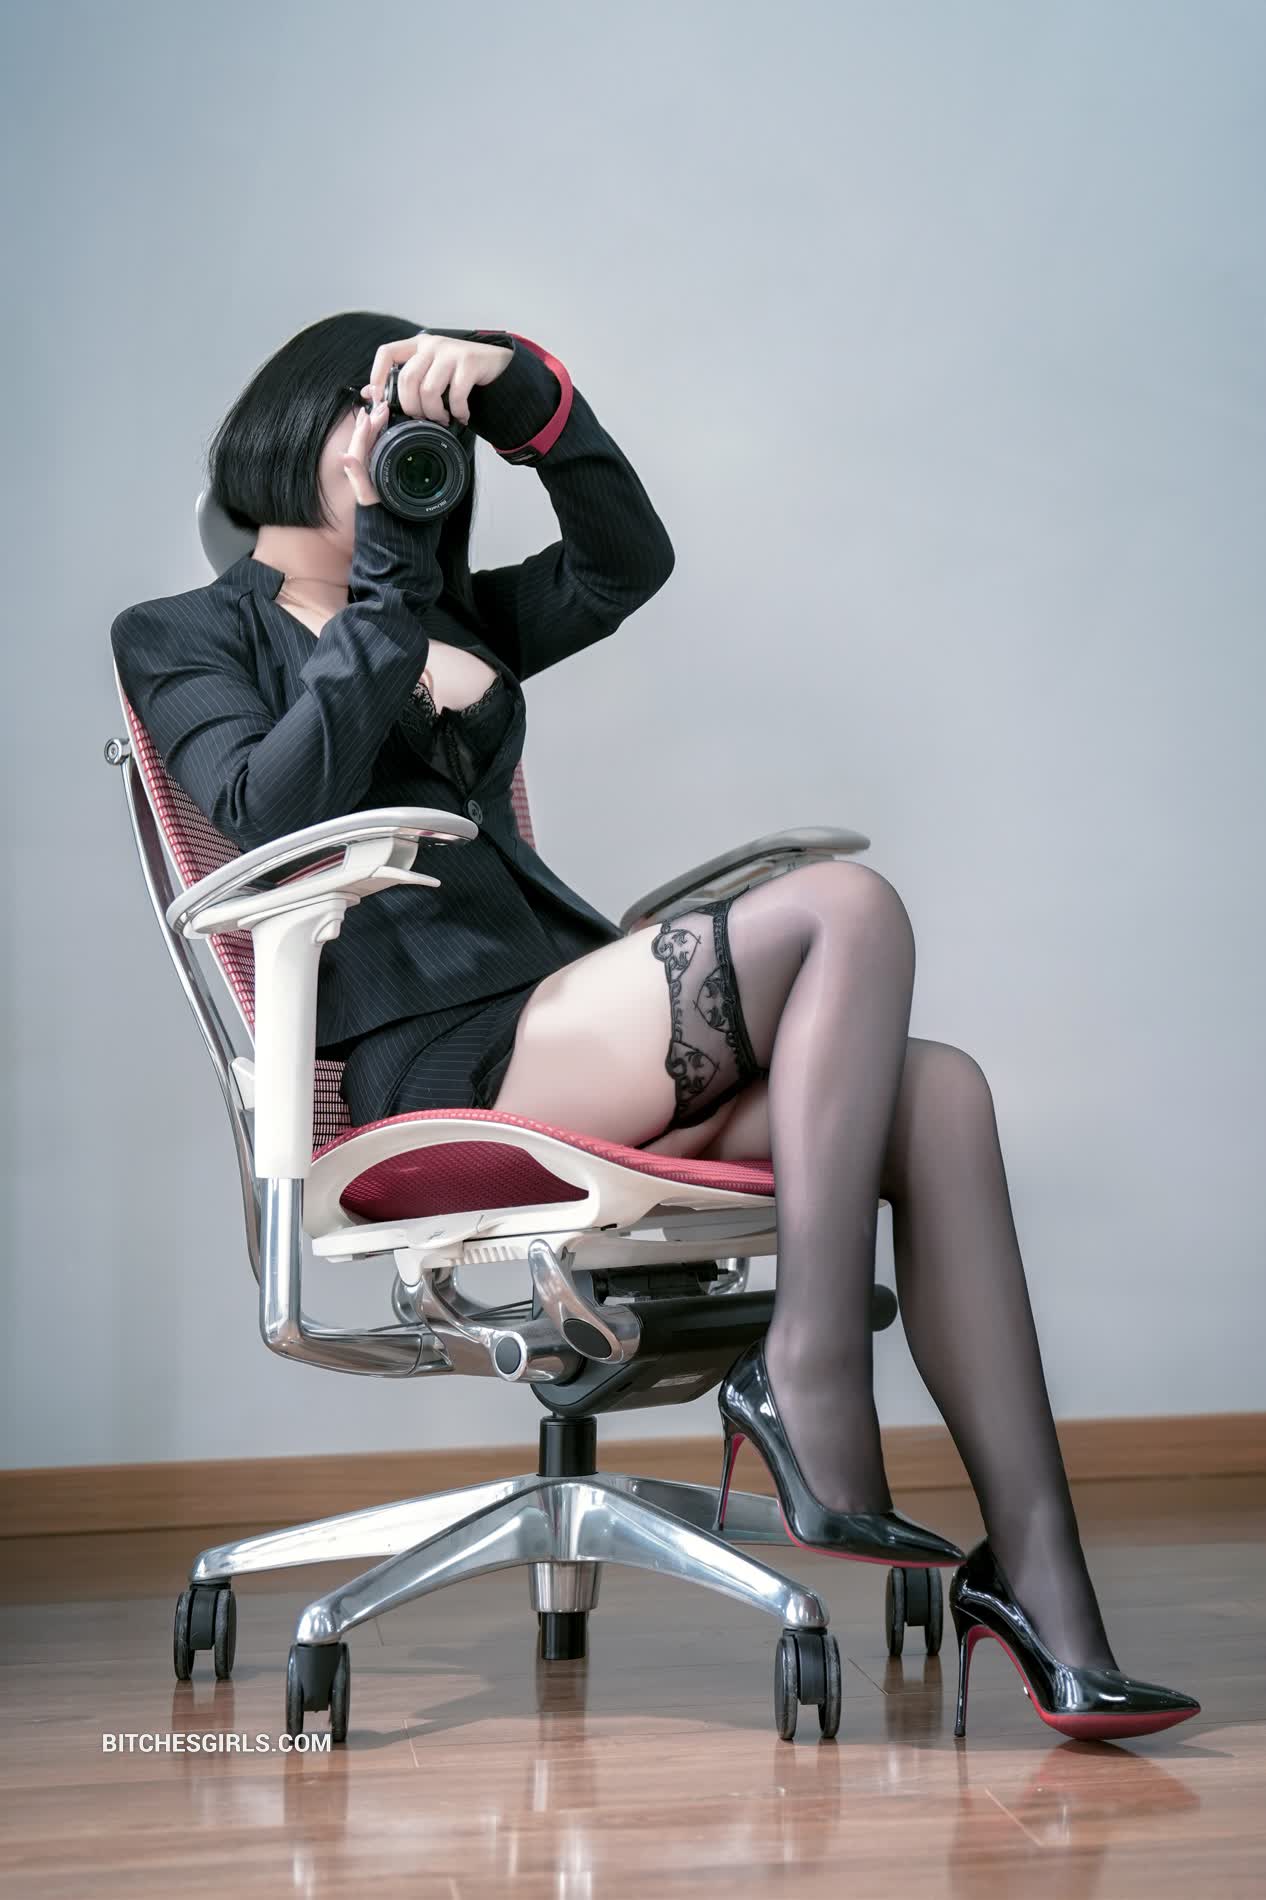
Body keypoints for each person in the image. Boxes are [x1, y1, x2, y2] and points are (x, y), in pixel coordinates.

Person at [112, 312, 1199, 1741]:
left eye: (412, 427)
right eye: (364, 415)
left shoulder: (457, 613)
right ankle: (807, 1374)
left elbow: (628, 562)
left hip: (561, 1018)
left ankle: (1043, 1588)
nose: (391, 448)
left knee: (936, 1092)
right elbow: (271, 803)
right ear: (288, 423)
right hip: (443, 1063)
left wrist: (519, 389)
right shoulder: (184, 633)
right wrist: (387, 582)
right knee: (847, 907)